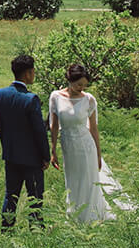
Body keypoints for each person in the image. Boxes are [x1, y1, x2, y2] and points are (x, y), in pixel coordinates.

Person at [49, 62, 125, 224]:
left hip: (86, 145)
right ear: (69, 80)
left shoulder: (89, 100)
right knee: (73, 179)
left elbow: (94, 129)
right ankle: (75, 213)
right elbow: (54, 125)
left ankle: (91, 215)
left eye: (84, 85)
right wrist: (53, 149)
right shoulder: (56, 97)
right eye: (78, 84)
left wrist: (98, 154)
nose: (81, 88)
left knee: (88, 180)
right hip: (68, 146)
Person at [0, 53, 51, 229]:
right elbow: (39, 131)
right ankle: (36, 228)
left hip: (11, 155)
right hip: (31, 158)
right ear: (27, 73)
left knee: (11, 195)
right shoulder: (30, 99)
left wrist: (7, 146)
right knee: (35, 196)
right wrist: (46, 157)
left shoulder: (0, 95)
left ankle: (7, 228)